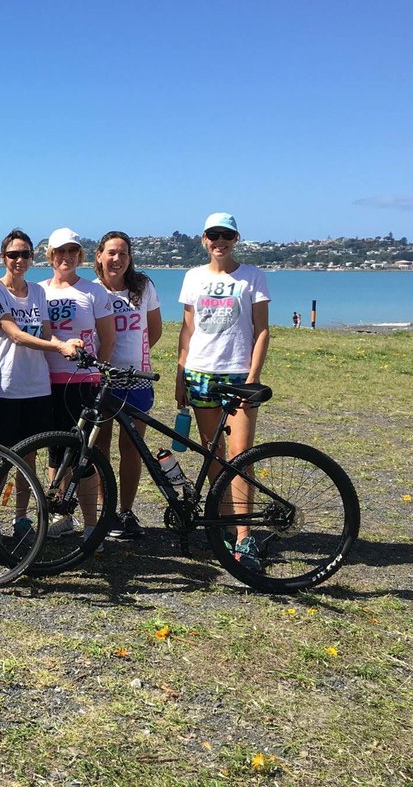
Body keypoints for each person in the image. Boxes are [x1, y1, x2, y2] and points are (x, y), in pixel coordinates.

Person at [176, 212, 270, 572]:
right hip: (200, 373)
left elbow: (261, 330)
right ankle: (225, 527)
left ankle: (246, 536)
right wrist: (180, 373)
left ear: (236, 239)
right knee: (213, 456)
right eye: (213, 235)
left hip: (236, 376)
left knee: (240, 456)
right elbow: (188, 329)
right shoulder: (192, 277)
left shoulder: (252, 276)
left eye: (226, 235)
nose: (219, 241)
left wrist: (252, 376)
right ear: (203, 239)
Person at [0, 229, 81, 535]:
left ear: (32, 258)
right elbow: (15, 334)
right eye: (13, 254)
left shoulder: (38, 292)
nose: (19, 260)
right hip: (6, 387)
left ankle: (20, 518)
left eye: (25, 254)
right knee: (3, 458)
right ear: (3, 258)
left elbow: (45, 332)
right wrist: (58, 347)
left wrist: (66, 343)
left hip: (38, 386)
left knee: (29, 457)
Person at [40, 228, 114, 539]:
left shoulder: (94, 292)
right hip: (47, 381)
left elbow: (108, 339)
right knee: (55, 452)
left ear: (80, 256)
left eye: (72, 251)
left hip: (83, 382)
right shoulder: (39, 290)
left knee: (84, 454)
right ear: (50, 256)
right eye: (60, 252)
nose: (66, 257)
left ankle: (91, 522)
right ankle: (61, 515)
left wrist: (97, 375)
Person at [93, 231, 162, 540]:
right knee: (100, 448)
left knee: (132, 449)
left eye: (123, 253)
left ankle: (127, 510)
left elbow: (155, 329)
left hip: (137, 380)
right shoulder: (92, 291)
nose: (117, 259)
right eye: (111, 252)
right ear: (99, 256)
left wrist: (137, 357)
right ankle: (106, 511)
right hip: (104, 379)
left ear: (129, 258)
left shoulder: (143, 287)